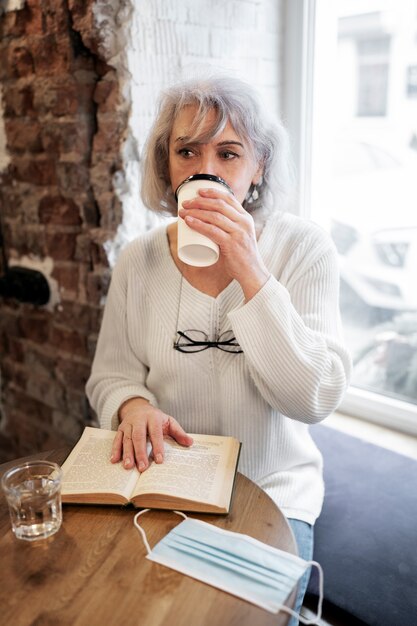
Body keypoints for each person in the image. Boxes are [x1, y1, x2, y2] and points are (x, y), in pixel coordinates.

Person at [86, 75, 351, 622]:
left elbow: (314, 398)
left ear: (257, 170)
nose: (206, 169)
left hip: (272, 487)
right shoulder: (139, 259)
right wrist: (134, 407)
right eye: (187, 151)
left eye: (229, 153)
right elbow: (109, 376)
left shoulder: (303, 248)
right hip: (164, 480)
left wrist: (251, 272)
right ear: (168, 168)